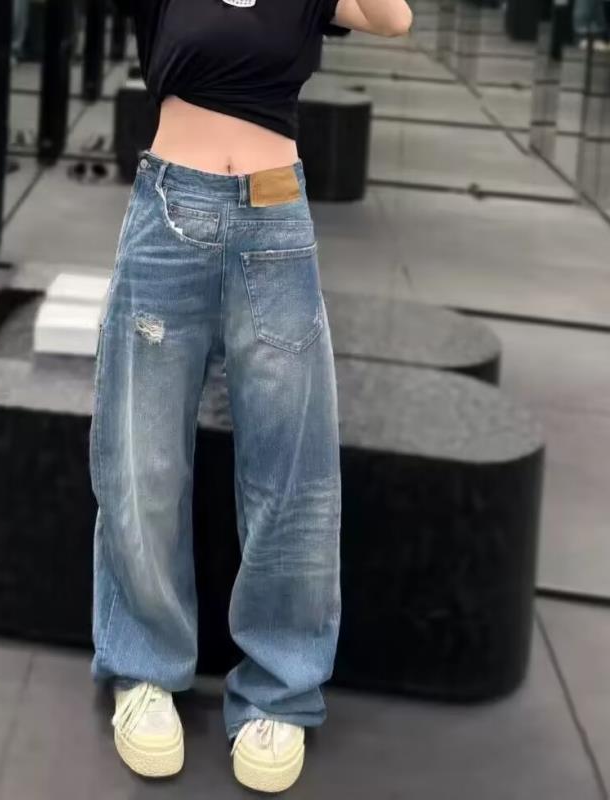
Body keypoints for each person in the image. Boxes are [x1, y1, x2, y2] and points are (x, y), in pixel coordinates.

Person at [90, 0, 412, 793]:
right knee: (141, 458)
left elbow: (394, 17)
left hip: (274, 219)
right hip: (169, 214)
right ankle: (143, 669)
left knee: (292, 471)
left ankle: (279, 688)